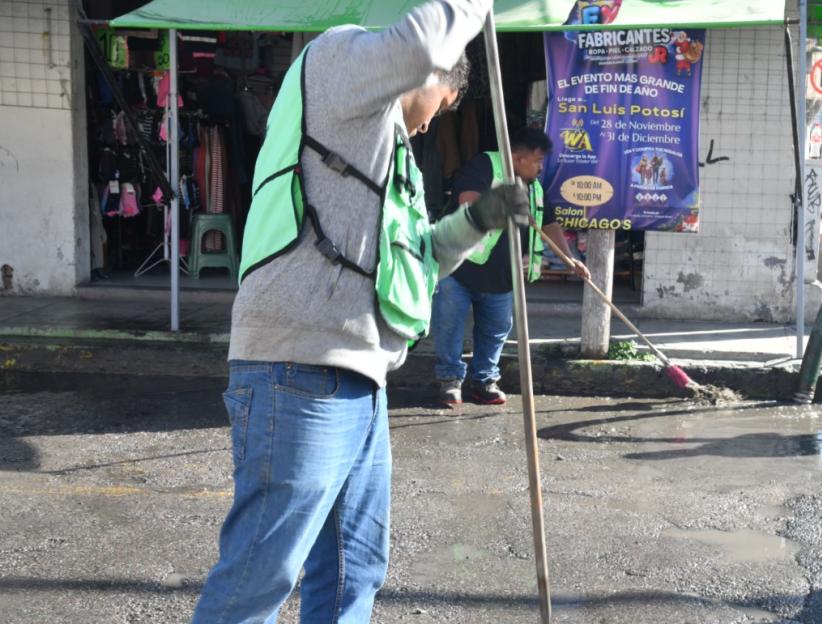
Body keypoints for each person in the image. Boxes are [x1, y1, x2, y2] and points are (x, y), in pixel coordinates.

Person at [190, 1, 525, 621]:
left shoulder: (392, 155)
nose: (429, 127)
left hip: (361, 377)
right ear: (438, 74)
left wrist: (480, 220)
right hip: (298, 364)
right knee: (261, 577)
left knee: (354, 570)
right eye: (441, 109)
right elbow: (423, 45)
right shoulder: (339, 60)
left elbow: (418, 261)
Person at [433, 128, 589, 405]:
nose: (541, 167)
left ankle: (484, 382)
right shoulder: (484, 164)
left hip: (504, 278)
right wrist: (502, 204)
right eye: (538, 161)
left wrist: (569, 259)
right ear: (518, 158)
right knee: (449, 327)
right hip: (459, 270)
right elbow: (466, 201)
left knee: (494, 332)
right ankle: (449, 381)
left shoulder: (535, 188)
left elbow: (549, 224)